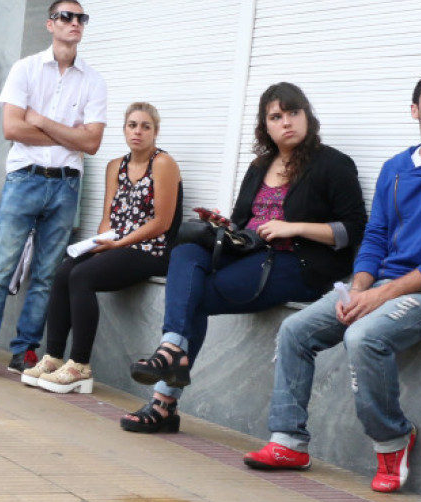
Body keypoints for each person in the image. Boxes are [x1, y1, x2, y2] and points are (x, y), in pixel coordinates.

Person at [244, 72, 421, 494]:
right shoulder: (395, 167)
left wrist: (378, 295)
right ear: (415, 110)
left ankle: (392, 438)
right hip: (380, 285)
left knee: (365, 336)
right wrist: (358, 288)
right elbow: (373, 237)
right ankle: (288, 441)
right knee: (296, 329)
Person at [123, 82, 367, 433]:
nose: (287, 122)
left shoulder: (333, 164)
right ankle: (171, 348)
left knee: (196, 297)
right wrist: (224, 225)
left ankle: (164, 396)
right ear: (265, 126)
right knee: (187, 249)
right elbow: (242, 219)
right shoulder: (260, 165)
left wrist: (293, 227)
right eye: (276, 116)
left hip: (296, 264)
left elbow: (353, 230)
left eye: (294, 113)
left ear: (307, 117)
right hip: (250, 253)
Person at [0, 0, 107, 378]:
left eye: (80, 18)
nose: (75, 23)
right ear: (50, 24)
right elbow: (11, 129)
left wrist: (40, 120)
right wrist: (65, 132)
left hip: (67, 185)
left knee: (46, 275)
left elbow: (92, 143)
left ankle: (26, 352)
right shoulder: (26, 69)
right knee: (0, 267)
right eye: (66, 17)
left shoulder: (94, 80)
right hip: (25, 179)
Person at [22, 102, 183, 395]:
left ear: (155, 132)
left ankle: (80, 366)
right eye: (132, 125)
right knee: (64, 271)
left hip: (153, 249)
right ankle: (54, 357)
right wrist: (98, 244)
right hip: (116, 244)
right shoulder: (115, 166)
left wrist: (118, 243)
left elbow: (162, 222)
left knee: (82, 277)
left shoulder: (163, 164)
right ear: (124, 129)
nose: (138, 131)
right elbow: (107, 218)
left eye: (145, 126)